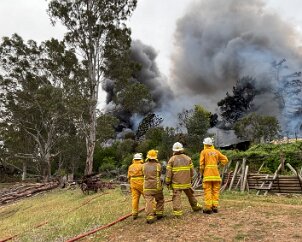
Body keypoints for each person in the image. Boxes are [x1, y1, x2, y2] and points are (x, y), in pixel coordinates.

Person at [165, 142, 202, 217]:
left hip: (176, 183)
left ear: (174, 150)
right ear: (182, 149)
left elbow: (169, 173)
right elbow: (192, 171)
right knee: (190, 195)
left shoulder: (172, 159)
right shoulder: (188, 158)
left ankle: (178, 213)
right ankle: (196, 207)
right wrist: (190, 179)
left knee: (176, 197)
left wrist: (168, 182)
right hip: (186, 182)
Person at [199, 137, 228, 214]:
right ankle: (215, 207)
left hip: (207, 175)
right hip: (216, 175)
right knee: (215, 191)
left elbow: (201, 165)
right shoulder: (216, 152)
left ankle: (208, 208)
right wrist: (219, 165)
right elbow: (225, 160)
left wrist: (201, 174)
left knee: (208, 191)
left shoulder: (203, 152)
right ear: (211, 144)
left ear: (205, 144)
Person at [142, 149, 164, 224]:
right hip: (157, 186)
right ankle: (159, 214)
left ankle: (150, 217)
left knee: (149, 201)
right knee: (160, 199)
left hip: (147, 187)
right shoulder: (158, 165)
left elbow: (143, 174)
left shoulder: (143, 165)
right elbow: (160, 174)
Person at [127, 153, 144, 220]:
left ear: (134, 159)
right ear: (140, 159)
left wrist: (130, 183)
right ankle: (153, 210)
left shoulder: (130, 166)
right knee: (147, 197)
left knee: (135, 198)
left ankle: (134, 213)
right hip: (141, 183)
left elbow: (128, 176)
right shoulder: (142, 166)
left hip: (133, 183)